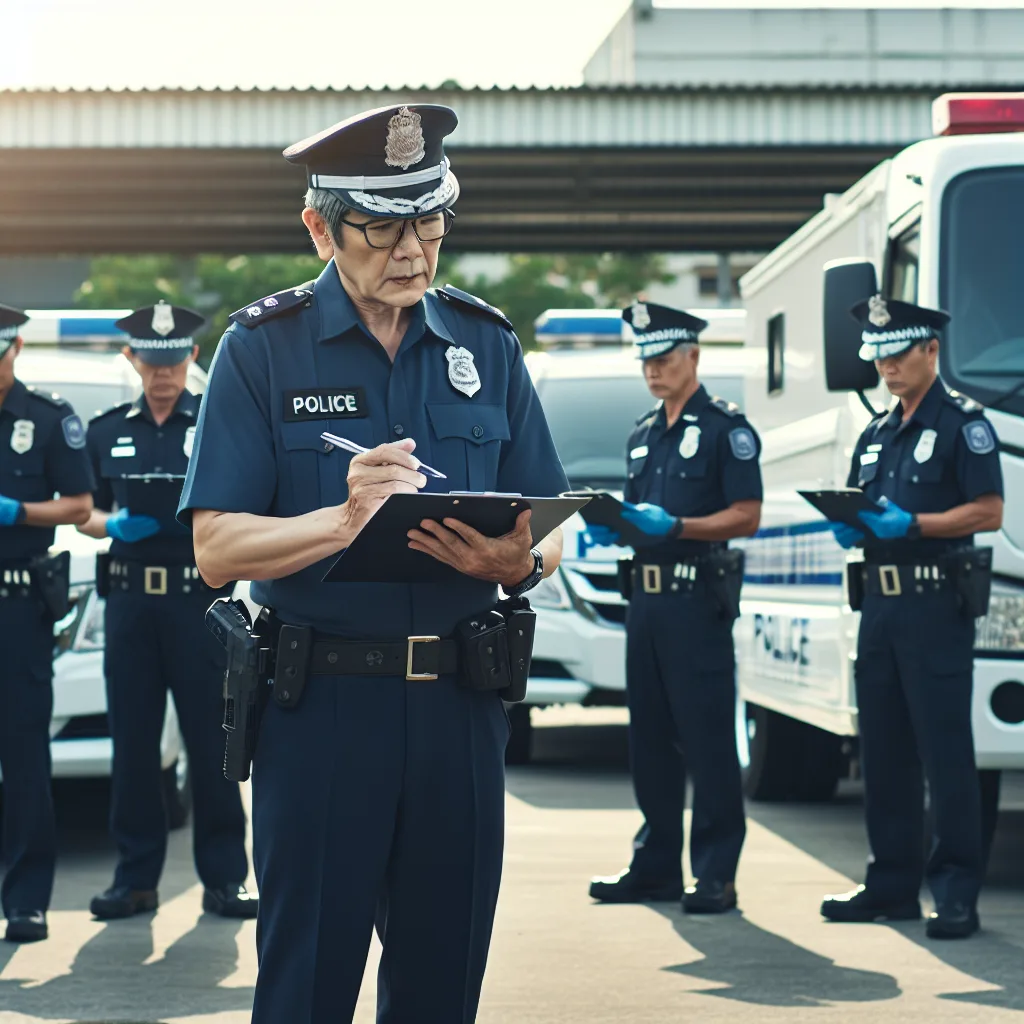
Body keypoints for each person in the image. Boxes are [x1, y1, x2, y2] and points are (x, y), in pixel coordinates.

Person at [177, 103, 569, 1023]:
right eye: (383, 227)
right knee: (309, 983)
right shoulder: (260, 350)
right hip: (322, 718)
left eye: (429, 222)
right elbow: (214, 549)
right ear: (319, 225)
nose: (412, 251)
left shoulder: (486, 343)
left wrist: (524, 558)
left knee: (443, 984)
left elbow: (547, 517)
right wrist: (339, 520)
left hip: (460, 714)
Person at [820, 296, 1003, 939]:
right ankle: (890, 885)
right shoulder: (875, 432)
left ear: (931, 350)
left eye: (898, 355)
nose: (887, 369)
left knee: (945, 754)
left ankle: (955, 892)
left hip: (933, 604)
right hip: (880, 606)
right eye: (878, 358)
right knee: (885, 751)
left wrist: (916, 524)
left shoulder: (963, 425)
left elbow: (989, 509)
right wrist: (854, 524)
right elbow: (860, 502)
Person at [77, 302, 257, 922]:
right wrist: (113, 525)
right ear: (133, 360)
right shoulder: (104, 430)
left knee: (213, 742)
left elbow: (241, 503)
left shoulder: (214, 422)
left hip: (197, 603)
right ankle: (134, 880)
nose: (162, 375)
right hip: (129, 602)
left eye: (173, 362)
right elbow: (86, 511)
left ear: (192, 360)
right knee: (131, 744)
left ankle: (226, 877)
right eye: (152, 363)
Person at [587, 301, 762, 914]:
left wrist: (679, 524)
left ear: (694, 356)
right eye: (646, 362)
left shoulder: (724, 429)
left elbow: (747, 515)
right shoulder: (642, 433)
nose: (653, 372)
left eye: (663, 360)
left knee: (708, 740)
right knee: (650, 740)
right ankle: (656, 865)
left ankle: (716, 872)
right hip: (646, 604)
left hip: (696, 601)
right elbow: (641, 518)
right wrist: (622, 526)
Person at [0, 304, 94, 943]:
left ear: (15, 347)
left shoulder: (47, 417)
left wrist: (17, 512)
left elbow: (80, 504)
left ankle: (26, 899)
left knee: (24, 752)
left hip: (15, 607)